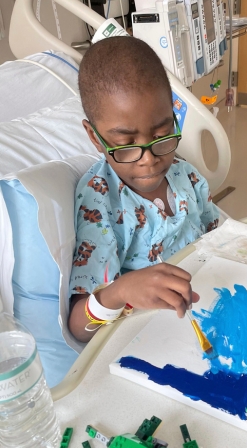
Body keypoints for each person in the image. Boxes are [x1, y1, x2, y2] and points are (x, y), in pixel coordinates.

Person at [68, 36, 219, 343]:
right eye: (125, 145)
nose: (149, 160)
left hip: (212, 312)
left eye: (162, 135)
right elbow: (78, 328)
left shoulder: (186, 176)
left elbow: (220, 239)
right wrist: (121, 291)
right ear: (95, 138)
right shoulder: (100, 202)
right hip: (152, 341)